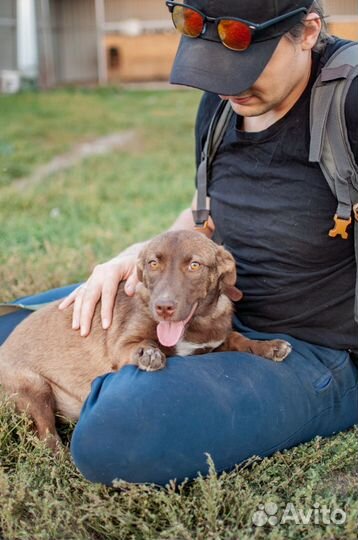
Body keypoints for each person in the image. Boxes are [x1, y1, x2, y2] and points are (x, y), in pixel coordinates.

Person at [1, 0, 357, 486]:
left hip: (312, 349)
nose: (228, 84)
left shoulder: (350, 101)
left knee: (116, 434)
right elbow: (203, 214)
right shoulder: (223, 102)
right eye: (216, 68)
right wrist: (133, 257)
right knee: (11, 334)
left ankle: (113, 396)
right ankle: (109, 383)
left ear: (308, 32)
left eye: (244, 66)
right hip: (203, 301)